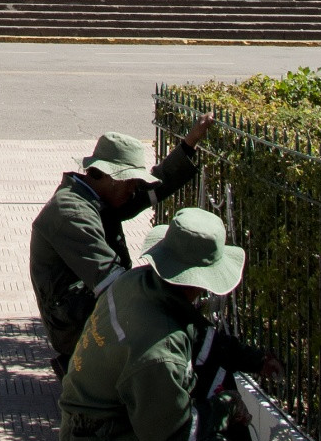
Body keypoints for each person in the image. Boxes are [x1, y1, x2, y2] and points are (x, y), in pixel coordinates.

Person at [58, 205, 275, 441]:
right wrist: (225, 408)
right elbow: (172, 431)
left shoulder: (139, 282)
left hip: (89, 423)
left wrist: (255, 360)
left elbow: (202, 335)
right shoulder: (160, 350)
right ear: (199, 281)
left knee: (211, 373)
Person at [30, 121, 211, 378]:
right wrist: (171, 298)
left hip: (87, 309)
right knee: (155, 321)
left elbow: (154, 189)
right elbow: (115, 283)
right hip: (74, 324)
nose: (135, 189)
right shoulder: (71, 212)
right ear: (111, 177)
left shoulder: (98, 196)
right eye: (131, 182)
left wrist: (188, 145)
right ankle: (86, 368)